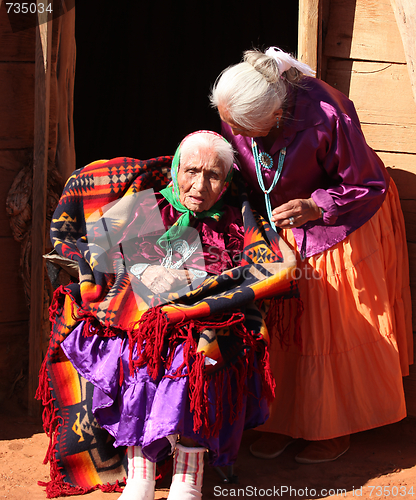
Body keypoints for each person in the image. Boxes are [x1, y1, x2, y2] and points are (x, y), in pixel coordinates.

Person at [210, 47, 413, 464]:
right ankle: (282, 421)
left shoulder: (328, 113)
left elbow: (366, 184)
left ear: (279, 114)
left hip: (342, 214)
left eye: (245, 125)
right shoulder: (239, 108)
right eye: (230, 122)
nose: (236, 132)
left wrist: (316, 204)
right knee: (279, 324)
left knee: (326, 322)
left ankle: (331, 428)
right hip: (281, 221)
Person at [59, 131, 270, 500]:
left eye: (213, 176)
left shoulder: (234, 221)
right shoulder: (145, 205)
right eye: (191, 171)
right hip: (141, 316)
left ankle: (188, 479)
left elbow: (249, 274)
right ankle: (141, 473)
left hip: (205, 319)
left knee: (195, 358)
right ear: (175, 170)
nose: (200, 185)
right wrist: (134, 278)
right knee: (139, 353)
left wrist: (193, 298)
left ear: (226, 182)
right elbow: (96, 250)